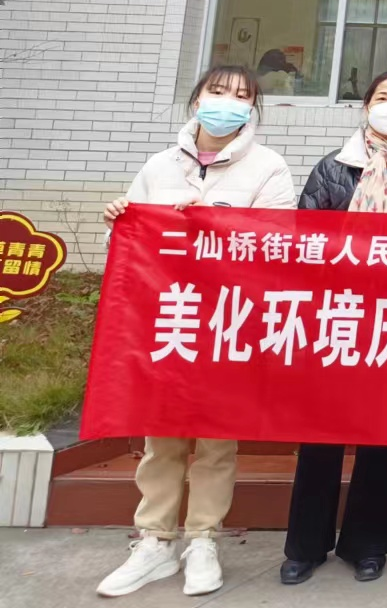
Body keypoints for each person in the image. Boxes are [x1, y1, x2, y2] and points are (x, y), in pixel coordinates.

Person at [97, 66, 294, 599]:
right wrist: (121, 220)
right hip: (166, 316)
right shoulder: (160, 165)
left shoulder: (268, 167)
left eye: (242, 96)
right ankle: (154, 541)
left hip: (229, 318)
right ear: (196, 100)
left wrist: (214, 220)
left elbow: (277, 243)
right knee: (160, 435)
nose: (229, 102)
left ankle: (203, 539)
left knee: (215, 438)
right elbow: (132, 243)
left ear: (252, 109)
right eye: (218, 91)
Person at [282, 71, 387, 586]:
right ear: (365, 106)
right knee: (321, 430)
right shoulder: (333, 167)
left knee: (380, 432)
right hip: (336, 311)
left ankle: (368, 544)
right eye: (383, 97)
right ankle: (306, 545)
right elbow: (305, 238)